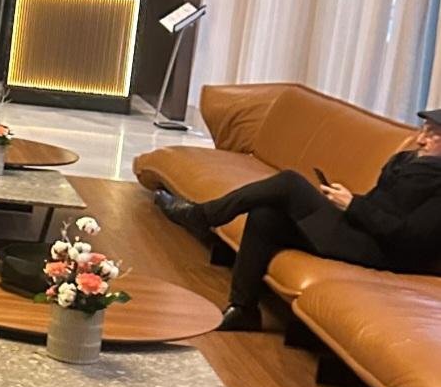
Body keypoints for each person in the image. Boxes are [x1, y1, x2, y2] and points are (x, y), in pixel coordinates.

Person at [155, 110, 441, 330]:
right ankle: (243, 309)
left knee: (290, 183)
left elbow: (410, 237)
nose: (421, 139)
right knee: (266, 214)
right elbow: (382, 205)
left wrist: (354, 206)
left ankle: (202, 215)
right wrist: (349, 201)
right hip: (362, 230)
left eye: (432, 134)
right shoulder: (409, 162)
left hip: (383, 252)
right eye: (423, 130)